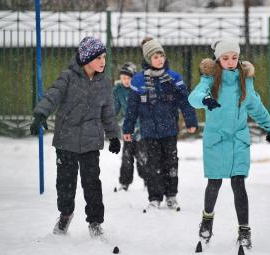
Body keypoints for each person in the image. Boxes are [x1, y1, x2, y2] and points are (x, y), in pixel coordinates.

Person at [188, 38, 270, 249]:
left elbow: (255, 105)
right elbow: (194, 96)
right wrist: (205, 100)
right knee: (215, 182)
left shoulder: (245, 81)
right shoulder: (210, 79)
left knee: (239, 183)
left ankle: (244, 230)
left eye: (234, 58)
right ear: (218, 59)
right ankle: (207, 221)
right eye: (225, 58)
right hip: (216, 139)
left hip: (238, 139)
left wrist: (269, 126)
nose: (230, 61)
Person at [30, 36, 121, 237]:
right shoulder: (68, 77)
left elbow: (108, 113)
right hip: (66, 140)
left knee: (92, 183)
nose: (103, 61)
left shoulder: (104, 83)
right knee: (65, 183)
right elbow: (52, 95)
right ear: (86, 58)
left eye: (104, 57)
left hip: (90, 142)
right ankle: (65, 214)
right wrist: (40, 114)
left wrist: (114, 136)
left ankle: (95, 222)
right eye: (99, 58)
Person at [123, 38, 198, 211]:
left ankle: (171, 196)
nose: (159, 60)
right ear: (149, 59)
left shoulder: (173, 78)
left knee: (171, 163)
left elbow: (184, 102)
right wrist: (127, 128)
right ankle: (154, 197)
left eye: (161, 56)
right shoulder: (138, 80)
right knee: (153, 164)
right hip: (149, 131)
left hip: (169, 129)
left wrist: (190, 121)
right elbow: (132, 108)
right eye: (155, 57)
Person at [112, 62, 149, 192]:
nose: (126, 81)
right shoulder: (118, 90)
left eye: (128, 78)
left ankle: (148, 181)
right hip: (127, 129)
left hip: (142, 129)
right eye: (123, 78)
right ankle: (124, 182)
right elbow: (114, 109)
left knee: (143, 157)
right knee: (126, 157)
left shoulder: (140, 88)